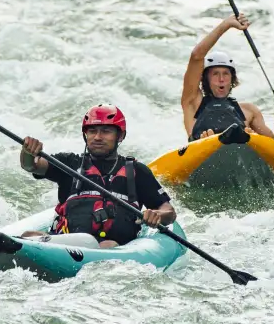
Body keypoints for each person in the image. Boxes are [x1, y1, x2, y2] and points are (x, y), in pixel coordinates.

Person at [17, 105, 175, 248]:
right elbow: (32, 165)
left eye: (106, 131)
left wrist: (157, 215)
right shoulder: (70, 164)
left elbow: (168, 211)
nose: (98, 137)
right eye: (92, 131)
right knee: (28, 236)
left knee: (108, 244)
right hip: (66, 244)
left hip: (114, 249)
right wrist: (28, 152)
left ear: (120, 136)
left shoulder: (136, 171)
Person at [181, 15, 274, 141]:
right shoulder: (192, 102)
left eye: (226, 74)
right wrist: (226, 25)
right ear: (205, 79)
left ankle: (244, 141)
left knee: (249, 136)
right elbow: (196, 56)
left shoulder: (249, 111)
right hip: (202, 153)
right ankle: (212, 140)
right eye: (215, 74)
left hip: (241, 154)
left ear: (232, 79)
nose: (221, 79)